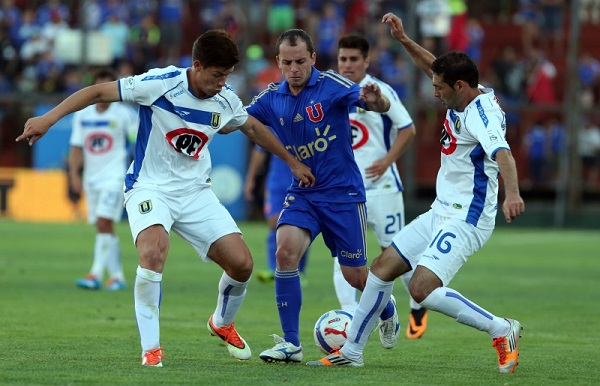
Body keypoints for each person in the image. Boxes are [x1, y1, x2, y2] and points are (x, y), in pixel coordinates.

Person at [16, 29, 315, 368]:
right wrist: (48, 118)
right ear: (197, 65)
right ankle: (152, 349)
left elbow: (254, 129)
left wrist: (292, 161)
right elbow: (98, 91)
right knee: (153, 252)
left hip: (195, 192)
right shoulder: (160, 83)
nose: (222, 83)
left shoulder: (226, 99)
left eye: (227, 76)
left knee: (242, 264)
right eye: (217, 75)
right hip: (149, 187)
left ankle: (221, 321)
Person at [307, 13, 525, 375]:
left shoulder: (480, 116)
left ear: (458, 86)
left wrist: (512, 194)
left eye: (439, 87)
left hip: (467, 217)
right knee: (380, 269)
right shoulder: (468, 91)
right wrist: (405, 40)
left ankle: (501, 329)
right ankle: (353, 349)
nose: (433, 91)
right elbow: (434, 68)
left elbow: (503, 153)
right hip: (441, 209)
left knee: (422, 288)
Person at [244, 28, 398, 364]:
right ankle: (290, 343)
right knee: (285, 253)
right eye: (287, 62)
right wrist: (289, 161)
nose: (295, 68)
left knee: (355, 276)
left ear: (313, 58)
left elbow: (372, 101)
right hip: (304, 194)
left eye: (301, 61)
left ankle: (387, 307)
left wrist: (376, 99)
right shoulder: (271, 97)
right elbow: (242, 120)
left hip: (343, 194)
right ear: (278, 62)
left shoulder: (332, 85)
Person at [336, 34, 427, 338]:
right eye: (342, 59)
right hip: (346, 191)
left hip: (382, 188)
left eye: (353, 59)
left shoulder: (380, 90)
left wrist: (387, 160)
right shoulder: (330, 90)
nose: (347, 65)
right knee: (344, 257)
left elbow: (408, 129)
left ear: (366, 61)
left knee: (395, 254)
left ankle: (418, 300)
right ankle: (351, 322)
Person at [69, 68, 136, 291]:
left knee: (103, 221)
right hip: (91, 178)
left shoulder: (124, 114)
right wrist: (74, 175)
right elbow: (76, 147)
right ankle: (117, 276)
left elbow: (138, 143)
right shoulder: (83, 114)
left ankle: (95, 273)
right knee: (103, 227)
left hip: (115, 176)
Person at [243, 146, 309, 285]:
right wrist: (251, 179)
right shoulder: (273, 126)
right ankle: (274, 269)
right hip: (277, 182)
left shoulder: (307, 125)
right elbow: (260, 151)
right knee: (275, 222)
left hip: (302, 180)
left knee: (301, 224)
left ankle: (298, 271)